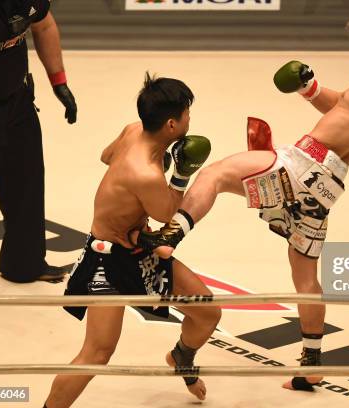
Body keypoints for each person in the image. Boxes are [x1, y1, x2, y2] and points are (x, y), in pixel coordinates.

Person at [132, 5, 349, 391]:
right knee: (304, 274)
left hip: (302, 168)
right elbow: (344, 110)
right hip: (322, 190)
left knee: (215, 173)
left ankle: (171, 235)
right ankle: (311, 361)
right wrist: (310, 88)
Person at [44, 74, 220, 407]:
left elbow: (106, 156)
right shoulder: (146, 174)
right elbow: (168, 213)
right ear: (171, 124)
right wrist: (181, 173)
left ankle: (182, 357)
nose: (189, 119)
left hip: (138, 248)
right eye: (186, 114)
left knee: (207, 312)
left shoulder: (131, 130)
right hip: (107, 260)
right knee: (97, 352)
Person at [0, 0, 78, 311]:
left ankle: (24, 264)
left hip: (15, 97)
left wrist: (59, 82)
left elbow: (44, 25)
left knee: (26, 178)